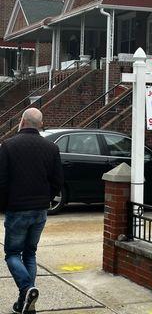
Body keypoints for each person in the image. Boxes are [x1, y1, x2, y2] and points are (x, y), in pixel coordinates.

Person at [0, 108, 63, 313]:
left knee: (11, 253)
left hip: (17, 209)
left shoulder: (8, 146)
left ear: (23, 121)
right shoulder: (51, 148)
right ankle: (25, 304)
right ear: (40, 124)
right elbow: (57, 182)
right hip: (40, 210)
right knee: (30, 253)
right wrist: (46, 199)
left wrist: (4, 204)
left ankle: (27, 288)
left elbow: (2, 181)